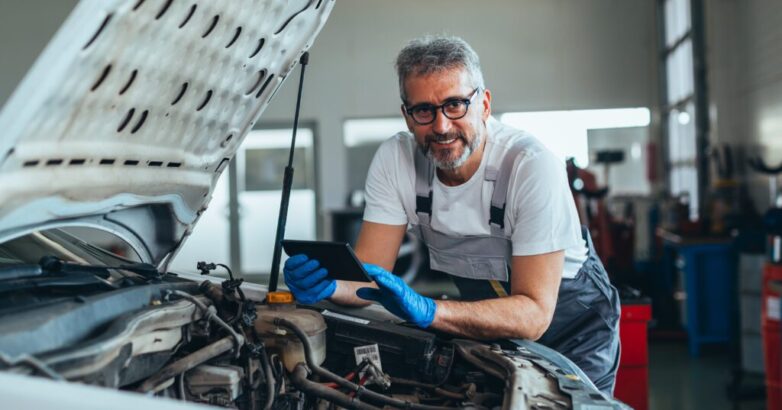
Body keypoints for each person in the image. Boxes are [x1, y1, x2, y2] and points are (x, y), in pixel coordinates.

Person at [283, 35, 621, 394]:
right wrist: (331, 285)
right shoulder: (395, 160)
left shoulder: (529, 165)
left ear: (485, 105)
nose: (442, 126)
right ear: (407, 117)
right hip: (487, 323)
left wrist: (430, 311)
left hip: (572, 326)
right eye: (424, 110)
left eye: (456, 104)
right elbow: (369, 278)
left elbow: (534, 315)